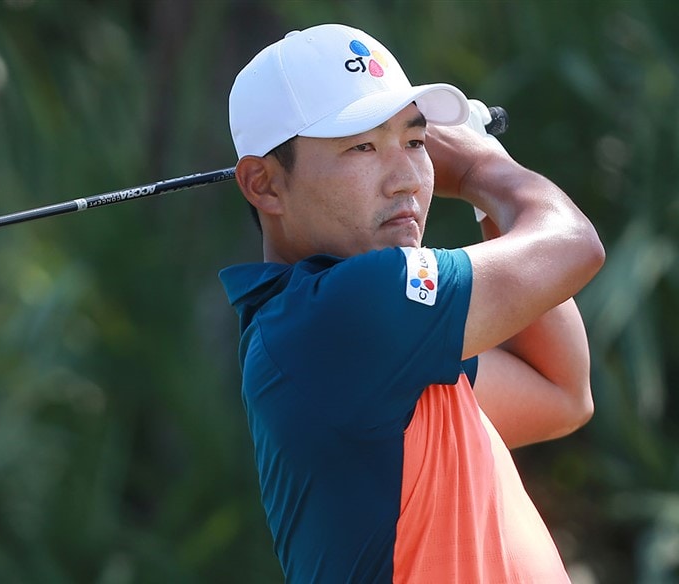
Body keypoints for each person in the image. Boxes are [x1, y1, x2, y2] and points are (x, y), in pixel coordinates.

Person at [218, 24, 604, 583]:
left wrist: (487, 199)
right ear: (264, 184)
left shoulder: (372, 343)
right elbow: (574, 245)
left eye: (415, 142)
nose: (407, 180)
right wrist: (481, 169)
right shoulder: (344, 314)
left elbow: (561, 392)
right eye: (362, 147)